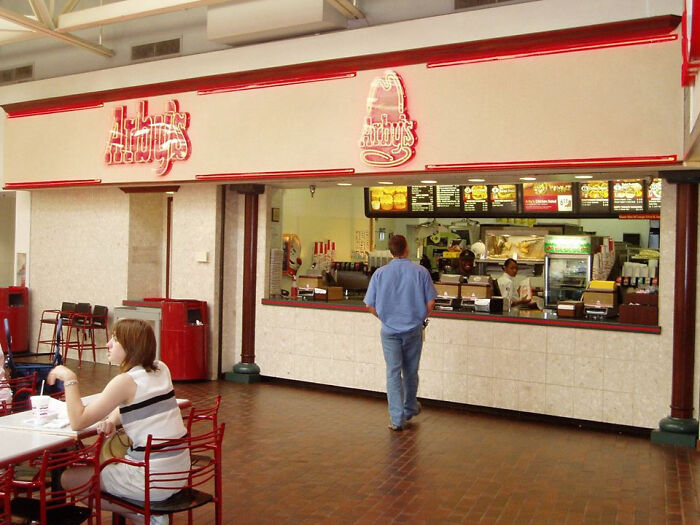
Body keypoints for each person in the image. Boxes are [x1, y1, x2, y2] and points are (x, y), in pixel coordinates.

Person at [47, 319, 188, 525]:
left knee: (69, 479)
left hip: (152, 479)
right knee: (105, 467)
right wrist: (113, 418)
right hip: (178, 472)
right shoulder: (161, 368)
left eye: (115, 339)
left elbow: (78, 421)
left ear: (131, 346)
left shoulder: (125, 382)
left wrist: (69, 377)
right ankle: (148, 513)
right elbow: (140, 404)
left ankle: (144, 515)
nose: (108, 344)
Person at [364, 234, 437, 431]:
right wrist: (418, 318)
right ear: (407, 249)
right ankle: (409, 407)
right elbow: (431, 302)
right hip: (413, 329)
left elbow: (369, 305)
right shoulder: (421, 272)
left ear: (391, 251)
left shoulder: (380, 273)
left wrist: (386, 319)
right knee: (411, 371)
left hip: (389, 331)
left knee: (393, 373)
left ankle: (397, 419)